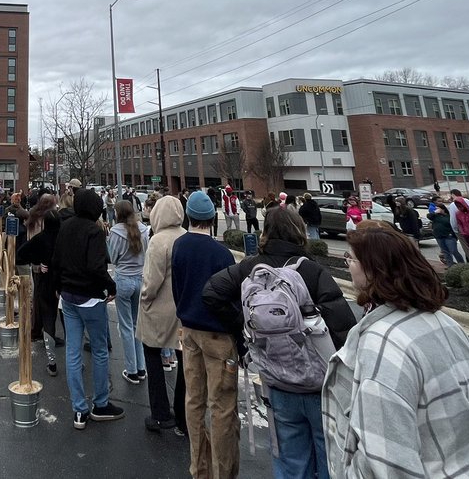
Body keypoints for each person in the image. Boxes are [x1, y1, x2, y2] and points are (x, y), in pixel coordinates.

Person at [322, 222, 469, 478]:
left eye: (353, 258)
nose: (348, 263)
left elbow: (387, 455)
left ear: (374, 270)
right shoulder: (446, 323)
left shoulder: (381, 344)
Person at [204, 208, 356, 479]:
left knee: (290, 461)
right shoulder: (310, 270)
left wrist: (245, 327)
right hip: (320, 384)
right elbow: (343, 328)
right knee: (330, 461)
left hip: (277, 380)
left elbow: (212, 292)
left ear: (266, 233)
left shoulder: (252, 267)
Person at [171, 190, 239, 479]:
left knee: (194, 400)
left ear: (189, 216)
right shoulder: (221, 253)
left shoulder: (179, 246)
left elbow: (177, 288)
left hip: (189, 332)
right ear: (212, 219)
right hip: (217, 337)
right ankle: (223, 472)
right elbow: (231, 299)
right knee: (222, 406)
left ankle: (198, 468)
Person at [50, 188, 124, 429]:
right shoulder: (95, 230)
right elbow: (96, 267)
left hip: (68, 297)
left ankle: (79, 410)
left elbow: (56, 260)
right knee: (100, 350)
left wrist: (58, 287)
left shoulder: (66, 226)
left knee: (73, 352)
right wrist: (110, 286)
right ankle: (101, 404)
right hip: (90, 298)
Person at [138, 194, 187, 435]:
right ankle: (182, 412)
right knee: (184, 360)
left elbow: (152, 281)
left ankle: (159, 413)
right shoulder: (185, 236)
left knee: (152, 355)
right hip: (181, 309)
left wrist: (145, 297)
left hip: (158, 308)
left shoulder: (158, 241)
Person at [17, 193, 64, 377]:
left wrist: (38, 261)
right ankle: (39, 331)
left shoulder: (34, 217)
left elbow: (25, 250)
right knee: (57, 315)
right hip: (59, 280)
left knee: (46, 310)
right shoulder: (47, 225)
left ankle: (50, 356)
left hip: (45, 275)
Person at [108, 199, 149, 385]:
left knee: (125, 327)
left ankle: (131, 369)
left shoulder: (115, 232)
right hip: (140, 279)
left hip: (123, 279)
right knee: (137, 325)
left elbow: (113, 257)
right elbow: (147, 253)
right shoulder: (143, 230)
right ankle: (141, 368)